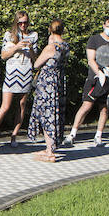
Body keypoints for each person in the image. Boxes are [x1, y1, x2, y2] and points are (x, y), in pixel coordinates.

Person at [64, 16, 109, 148]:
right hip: (94, 79)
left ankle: (98, 135)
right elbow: (91, 59)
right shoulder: (94, 40)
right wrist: (99, 73)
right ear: (103, 25)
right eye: (108, 26)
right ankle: (73, 134)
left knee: (104, 108)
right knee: (86, 105)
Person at [0, 12, 36, 149]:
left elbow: (35, 58)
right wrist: (16, 47)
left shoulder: (33, 36)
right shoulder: (9, 35)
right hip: (12, 74)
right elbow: (3, 56)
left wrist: (30, 49)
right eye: (20, 23)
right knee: (5, 106)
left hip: (26, 73)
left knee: (22, 105)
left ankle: (14, 136)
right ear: (16, 23)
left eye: (25, 22)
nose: (23, 25)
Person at [27, 19, 69, 161]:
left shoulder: (51, 47)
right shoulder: (65, 46)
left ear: (50, 30)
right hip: (58, 81)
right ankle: (49, 147)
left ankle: (50, 151)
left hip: (47, 83)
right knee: (55, 112)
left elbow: (37, 64)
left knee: (46, 114)